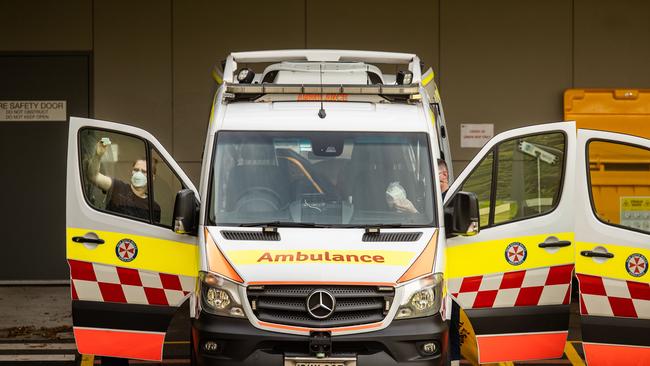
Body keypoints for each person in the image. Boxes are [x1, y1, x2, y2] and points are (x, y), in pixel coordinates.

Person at [87, 139, 161, 222]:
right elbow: (93, 176)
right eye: (136, 170)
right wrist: (97, 156)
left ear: (152, 177)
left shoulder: (154, 207)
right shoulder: (118, 187)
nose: (138, 174)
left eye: (144, 171)